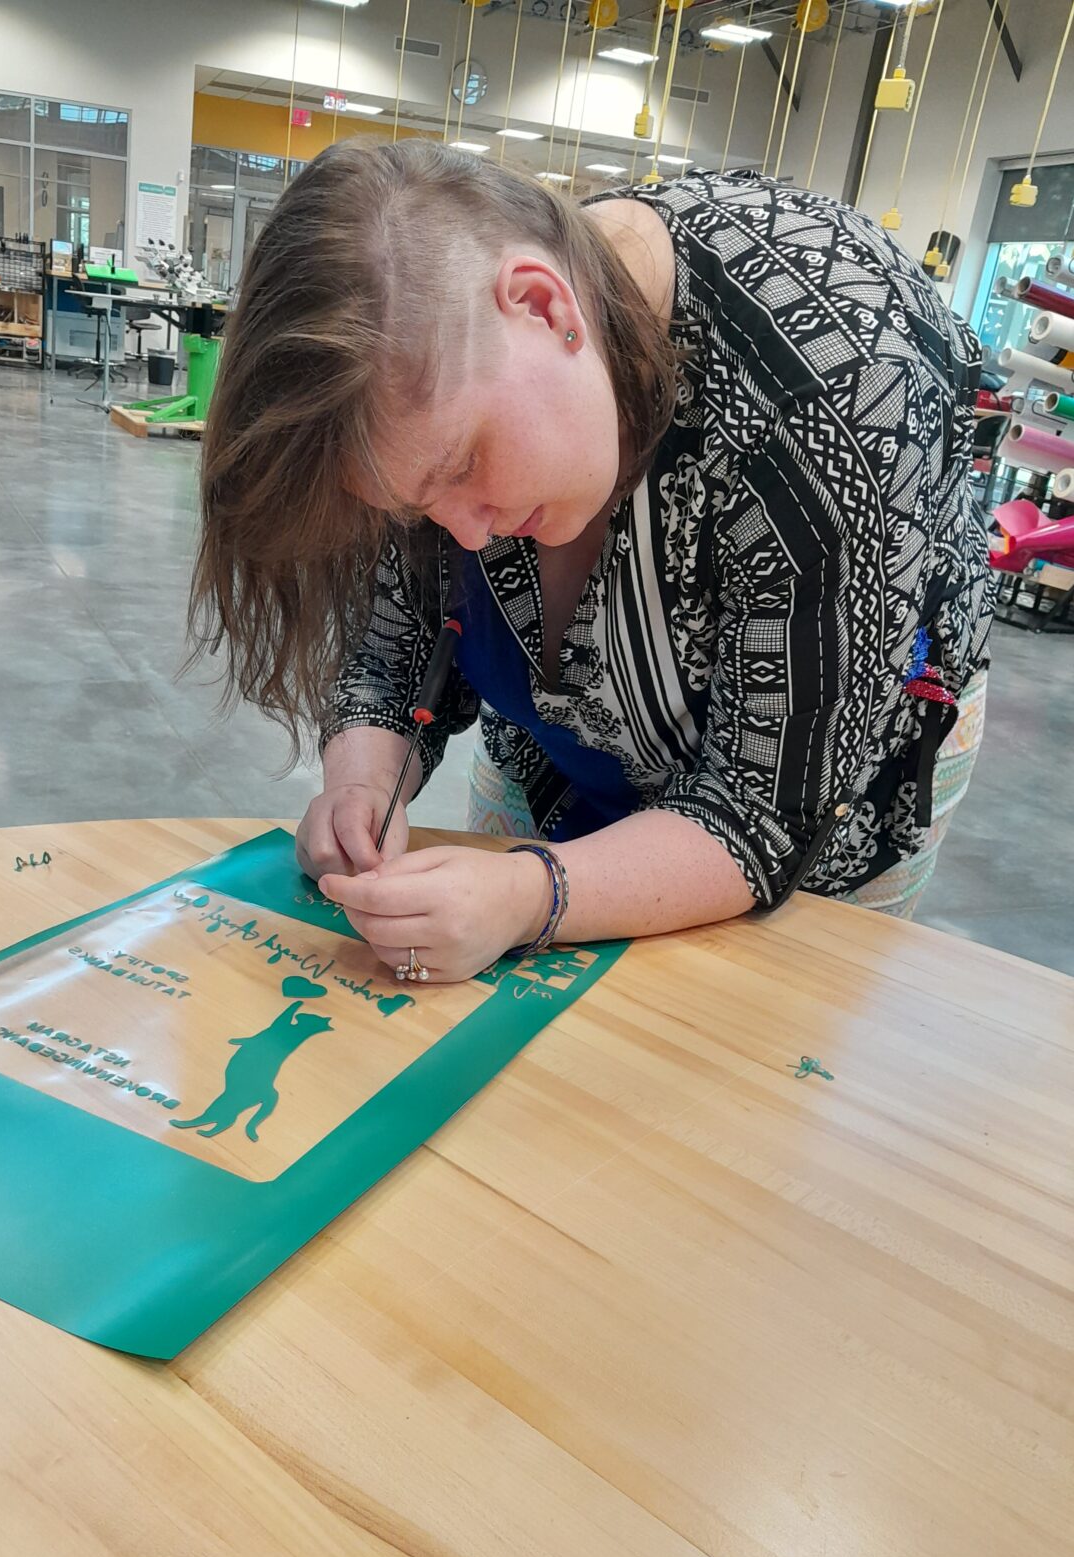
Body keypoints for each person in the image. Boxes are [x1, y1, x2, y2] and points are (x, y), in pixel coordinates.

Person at [190, 141, 994, 984]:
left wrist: (530, 894)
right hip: (561, 750)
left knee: (730, 1052)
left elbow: (765, 814)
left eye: (462, 468)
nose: (464, 534)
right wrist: (359, 783)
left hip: (820, 782)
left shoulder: (837, 384)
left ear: (541, 305)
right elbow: (396, 652)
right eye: (417, 507)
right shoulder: (436, 373)